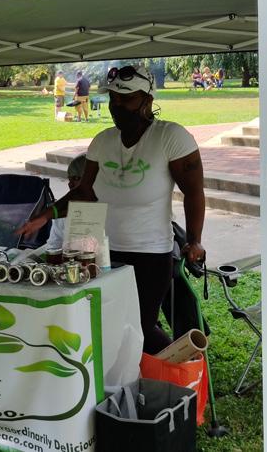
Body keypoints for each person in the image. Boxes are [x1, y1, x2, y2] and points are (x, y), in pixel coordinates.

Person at [17, 66, 206, 354]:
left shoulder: (171, 137)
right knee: (109, 323)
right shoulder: (103, 141)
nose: (117, 105)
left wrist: (194, 240)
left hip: (151, 253)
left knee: (140, 327)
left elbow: (193, 192)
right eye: (113, 99)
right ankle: (124, 378)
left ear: (147, 100)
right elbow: (84, 192)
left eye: (126, 99)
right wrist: (45, 216)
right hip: (103, 253)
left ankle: (179, 367)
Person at [45, 154, 88, 249]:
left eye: (76, 178)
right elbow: (54, 244)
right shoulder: (63, 209)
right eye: (69, 179)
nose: (70, 184)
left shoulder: (111, 208)